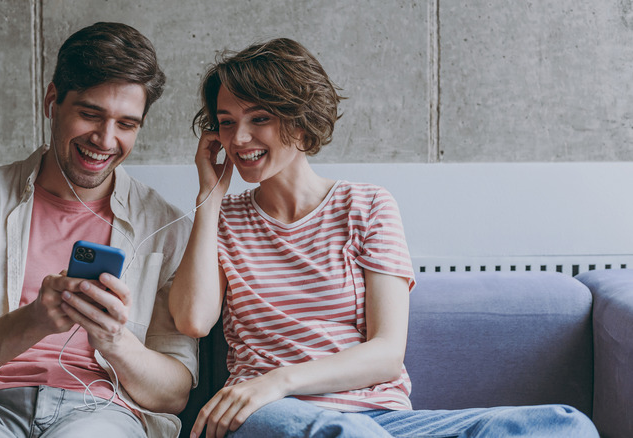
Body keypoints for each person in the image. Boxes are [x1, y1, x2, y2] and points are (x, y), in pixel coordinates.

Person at [168, 38, 599, 438]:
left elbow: (387, 353)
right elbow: (193, 320)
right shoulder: (222, 219)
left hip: (379, 418)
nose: (239, 138)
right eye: (227, 123)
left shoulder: (367, 205)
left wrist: (277, 381)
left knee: (564, 425)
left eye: (259, 118)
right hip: (274, 416)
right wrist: (208, 197)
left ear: (301, 124)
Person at [0, 22, 197, 438]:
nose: (105, 139)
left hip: (98, 411)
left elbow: (174, 393)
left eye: (126, 124)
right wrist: (34, 320)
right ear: (52, 101)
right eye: (90, 114)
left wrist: (114, 340)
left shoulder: (164, 226)